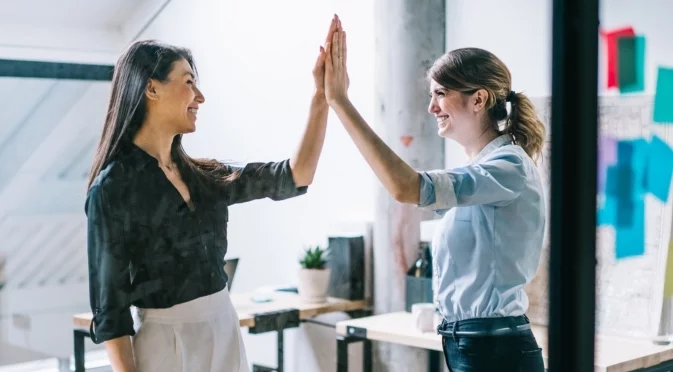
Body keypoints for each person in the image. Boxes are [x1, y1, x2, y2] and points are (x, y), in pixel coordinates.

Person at [85, 16, 342, 372]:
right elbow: (109, 311)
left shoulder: (203, 176)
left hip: (224, 329)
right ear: (151, 88)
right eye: (189, 82)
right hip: (166, 346)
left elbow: (295, 175)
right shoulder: (112, 189)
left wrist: (322, 97)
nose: (200, 97)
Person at [323, 26, 546, 371]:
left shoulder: (508, 166)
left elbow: (407, 187)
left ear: (479, 99)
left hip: (496, 348)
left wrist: (340, 103)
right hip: (472, 343)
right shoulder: (484, 169)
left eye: (441, 93)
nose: (431, 107)